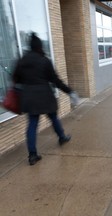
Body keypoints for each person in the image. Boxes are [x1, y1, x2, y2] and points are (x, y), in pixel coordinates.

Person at [13, 33, 78, 165]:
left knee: (32, 124)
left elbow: (15, 79)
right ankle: (62, 137)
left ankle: (32, 155)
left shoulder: (22, 60)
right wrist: (69, 91)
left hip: (29, 98)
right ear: (39, 46)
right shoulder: (44, 60)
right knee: (53, 117)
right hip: (45, 96)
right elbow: (55, 80)